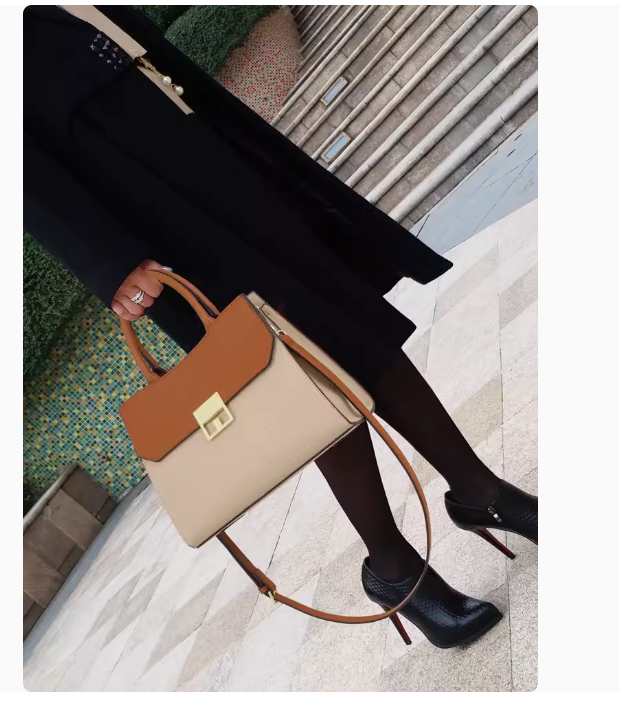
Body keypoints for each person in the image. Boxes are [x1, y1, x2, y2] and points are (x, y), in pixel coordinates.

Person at [24, 5, 537, 649]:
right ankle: (394, 564)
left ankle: (477, 488)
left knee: (348, 320)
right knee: (290, 370)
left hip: (213, 153)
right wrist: (105, 259)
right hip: (149, 216)